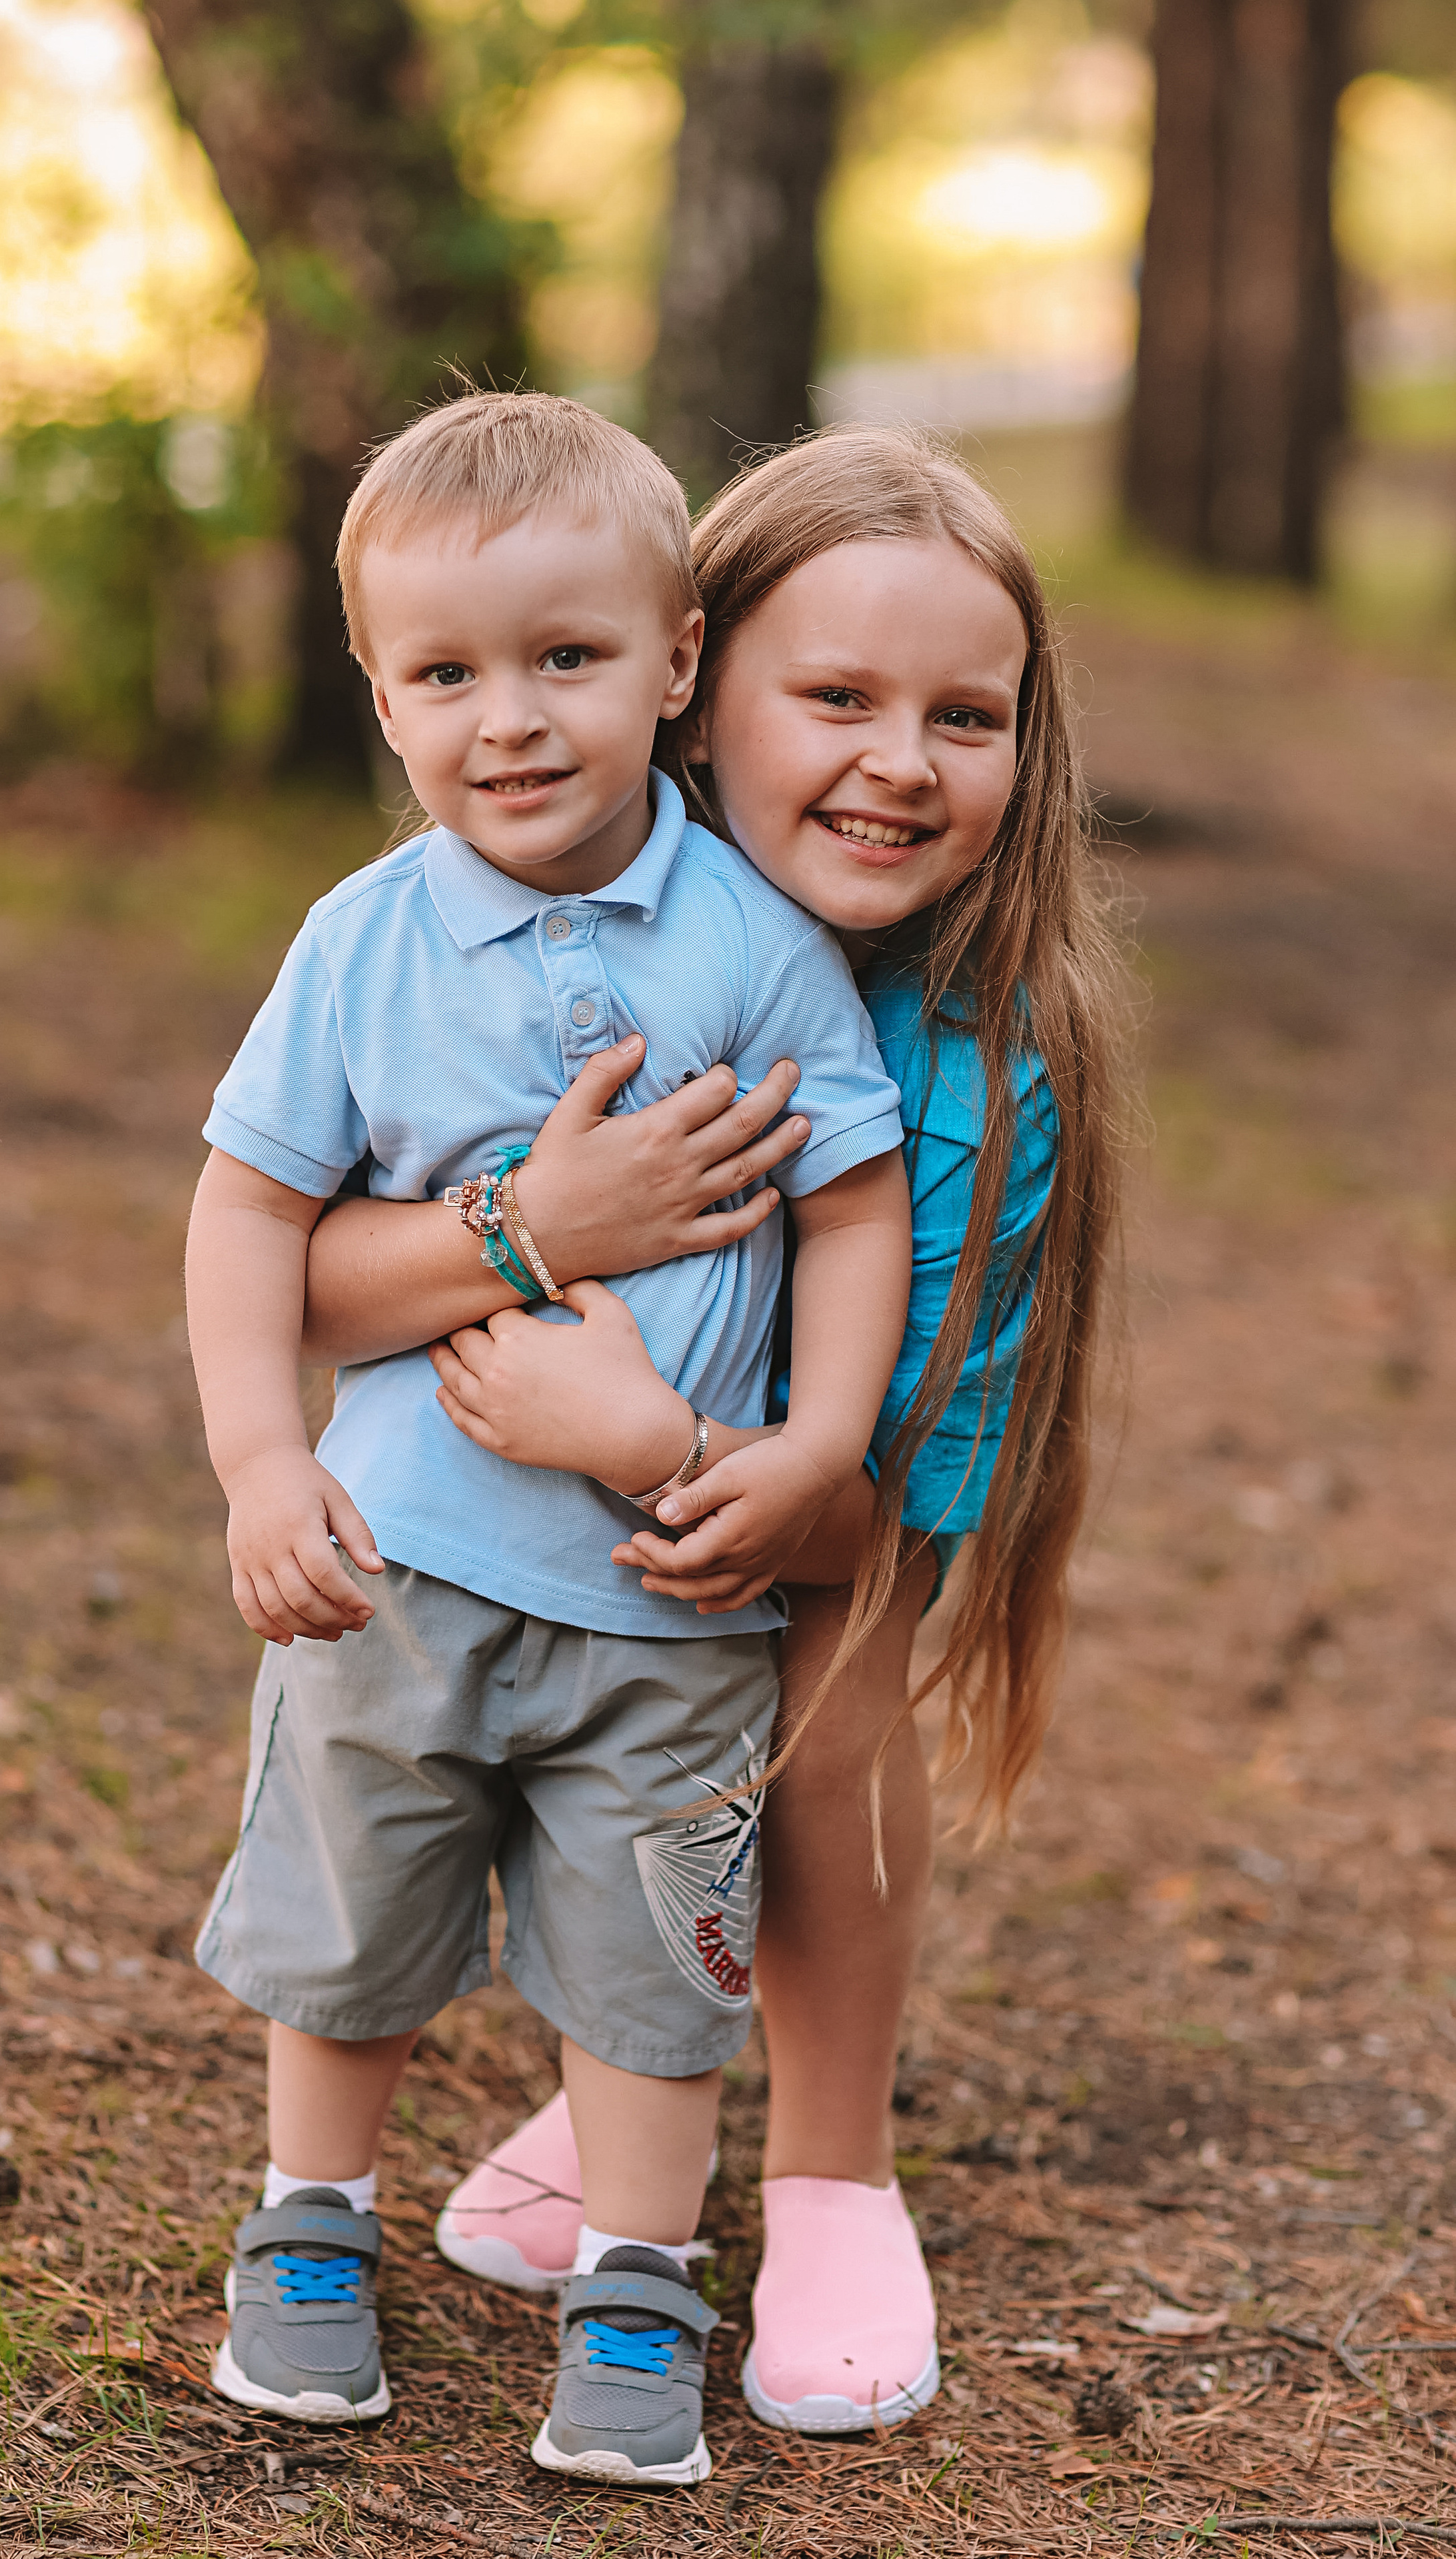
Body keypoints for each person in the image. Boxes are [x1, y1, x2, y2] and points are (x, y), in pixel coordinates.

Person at [299, 425, 1128, 2435]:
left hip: (773, 1594)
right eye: (833, 697)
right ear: (690, 683)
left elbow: (903, 1534)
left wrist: (655, 1442)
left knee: (829, 1693)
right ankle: (613, 2078)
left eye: (965, 716)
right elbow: (309, 1272)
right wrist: (529, 1227)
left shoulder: (980, 1076)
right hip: (509, 1580)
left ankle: (837, 2172)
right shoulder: (510, 945)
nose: (902, 762)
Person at [184, 391, 915, 2486]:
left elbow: (854, 1201)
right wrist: (258, 1463)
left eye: (566, 659)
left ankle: (632, 2274)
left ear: (676, 661)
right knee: (351, 1920)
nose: (508, 720)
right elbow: (251, 1210)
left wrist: (822, 1434)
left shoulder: (758, 949)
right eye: (446, 674)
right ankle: (311, 2225)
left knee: (654, 1955)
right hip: (398, 1569)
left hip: (666, 1603)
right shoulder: (363, 945)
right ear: (383, 698)